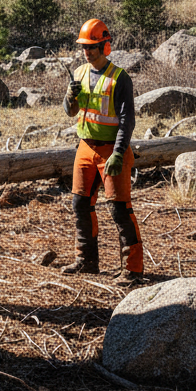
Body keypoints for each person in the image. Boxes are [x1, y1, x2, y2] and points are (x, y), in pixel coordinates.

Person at [62, 18, 143, 280]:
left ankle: (132, 269)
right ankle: (86, 260)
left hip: (111, 150)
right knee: (80, 204)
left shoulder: (120, 78)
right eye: (84, 47)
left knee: (120, 209)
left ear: (105, 47)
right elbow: (70, 111)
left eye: (92, 47)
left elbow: (127, 120)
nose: (87, 52)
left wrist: (119, 152)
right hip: (85, 147)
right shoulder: (80, 73)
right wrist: (69, 98)